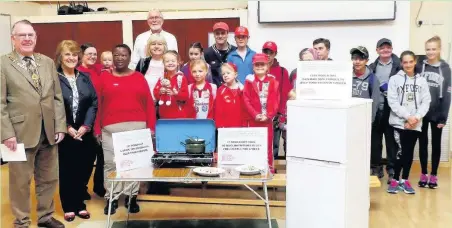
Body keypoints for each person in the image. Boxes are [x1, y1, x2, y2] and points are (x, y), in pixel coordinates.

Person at [1, 19, 66, 228]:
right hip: (18, 134)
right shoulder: (3, 64)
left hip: (48, 131)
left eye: (31, 35)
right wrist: (6, 133)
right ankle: (22, 221)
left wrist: (60, 126)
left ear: (36, 38)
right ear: (13, 39)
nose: (27, 39)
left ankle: (45, 217)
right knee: (20, 183)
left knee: (48, 178)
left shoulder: (46, 62)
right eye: (22, 35)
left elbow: (57, 96)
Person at [94, 44, 156, 215]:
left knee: (133, 165)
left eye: (123, 55)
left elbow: (149, 105)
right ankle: (112, 198)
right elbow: (98, 105)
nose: (120, 58)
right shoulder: (104, 78)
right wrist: (97, 130)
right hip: (110, 130)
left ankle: (131, 197)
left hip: (137, 128)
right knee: (110, 164)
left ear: (129, 58)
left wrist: (151, 128)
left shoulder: (139, 77)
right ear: (112, 57)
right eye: (116, 55)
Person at [55, 40, 98, 222]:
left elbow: (93, 103)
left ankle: (80, 204)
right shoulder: (54, 79)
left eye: (74, 54)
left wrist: (86, 126)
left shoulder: (84, 77)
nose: (72, 58)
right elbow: (52, 105)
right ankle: (69, 206)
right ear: (60, 57)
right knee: (67, 171)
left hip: (84, 132)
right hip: (64, 133)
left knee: (84, 168)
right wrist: (66, 127)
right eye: (67, 54)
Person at [386, 50, 431, 194]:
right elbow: (392, 101)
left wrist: (416, 118)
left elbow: (426, 101)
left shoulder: (422, 80)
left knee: (409, 153)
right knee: (399, 152)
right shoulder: (394, 79)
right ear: (401, 63)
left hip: (415, 124)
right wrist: (407, 117)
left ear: (415, 61)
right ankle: (394, 180)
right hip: (399, 123)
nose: (408, 65)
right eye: (405, 62)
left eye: (411, 61)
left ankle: (404, 180)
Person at [417, 36, 452, 189]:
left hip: (437, 113)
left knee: (436, 144)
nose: (431, 52)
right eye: (428, 49)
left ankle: (434, 175)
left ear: (439, 49)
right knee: (422, 143)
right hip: (421, 112)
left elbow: (448, 93)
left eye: (434, 49)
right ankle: (424, 173)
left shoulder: (445, 69)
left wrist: (443, 117)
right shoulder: (419, 66)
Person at [368, 38, 401, 181]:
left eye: (388, 47)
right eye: (382, 48)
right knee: (375, 141)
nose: (385, 50)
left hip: (391, 109)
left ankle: (392, 169)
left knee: (391, 141)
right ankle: (376, 168)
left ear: (392, 49)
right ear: (377, 50)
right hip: (376, 108)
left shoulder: (399, 66)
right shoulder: (371, 67)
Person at [77, 43, 106, 198]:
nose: (92, 57)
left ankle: (99, 186)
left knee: (102, 156)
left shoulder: (99, 69)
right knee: (86, 158)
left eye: (95, 54)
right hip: (85, 120)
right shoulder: (78, 72)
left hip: (101, 117)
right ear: (81, 55)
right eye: (89, 54)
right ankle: (81, 188)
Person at [243, 53, 280, 173]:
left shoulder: (273, 80)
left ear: (268, 65)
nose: (259, 67)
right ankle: (254, 170)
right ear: (253, 66)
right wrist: (255, 114)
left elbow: (276, 100)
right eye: (256, 64)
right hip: (254, 120)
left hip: (267, 120)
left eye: (262, 64)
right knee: (254, 145)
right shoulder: (249, 80)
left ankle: (269, 169)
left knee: (268, 145)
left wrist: (268, 115)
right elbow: (246, 100)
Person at [262, 41, 291, 159]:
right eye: (265, 52)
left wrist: (281, 115)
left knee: (273, 146)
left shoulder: (282, 71)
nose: (268, 55)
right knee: (260, 144)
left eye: (271, 52)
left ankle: (272, 172)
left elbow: (285, 94)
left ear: (275, 54)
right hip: (260, 116)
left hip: (276, 116)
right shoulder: (257, 69)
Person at [154, 51, 189, 119]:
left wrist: (175, 94)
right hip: (163, 114)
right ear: (163, 63)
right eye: (167, 61)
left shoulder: (181, 78)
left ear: (178, 62)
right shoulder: (161, 77)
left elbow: (185, 96)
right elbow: (155, 93)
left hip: (178, 115)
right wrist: (160, 92)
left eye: (173, 61)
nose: (170, 63)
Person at [350, 46, 380, 122]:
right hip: (349, 116)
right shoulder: (347, 76)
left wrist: (370, 120)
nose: (357, 61)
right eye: (355, 58)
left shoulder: (373, 79)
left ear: (367, 61)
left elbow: (375, 102)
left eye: (361, 59)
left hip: (364, 118)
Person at [214, 63, 247, 128]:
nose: (225, 75)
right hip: (225, 125)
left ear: (235, 74)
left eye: (228, 73)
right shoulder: (221, 90)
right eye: (223, 74)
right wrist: (219, 125)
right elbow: (218, 109)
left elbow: (245, 109)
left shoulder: (242, 89)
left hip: (239, 124)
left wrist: (245, 124)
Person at [135, 33, 167, 102]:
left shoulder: (169, 63)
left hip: (164, 103)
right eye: (153, 44)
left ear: (164, 46)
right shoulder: (142, 62)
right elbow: (135, 83)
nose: (156, 46)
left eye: (160, 44)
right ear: (149, 46)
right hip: (145, 102)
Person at [204, 22, 237, 87]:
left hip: (232, 90)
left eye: (223, 33)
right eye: (217, 33)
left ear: (227, 34)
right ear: (214, 35)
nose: (220, 36)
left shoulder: (235, 51)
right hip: (214, 91)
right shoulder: (207, 53)